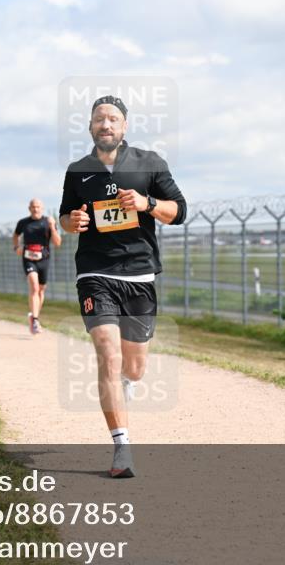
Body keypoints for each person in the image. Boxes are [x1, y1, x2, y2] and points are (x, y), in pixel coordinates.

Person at [59, 95, 187, 478]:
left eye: (113, 119)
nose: (106, 125)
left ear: (125, 126)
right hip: (95, 273)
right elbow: (65, 215)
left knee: (135, 367)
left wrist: (148, 204)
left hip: (139, 274)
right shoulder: (77, 170)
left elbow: (180, 212)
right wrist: (71, 222)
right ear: (90, 128)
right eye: (99, 119)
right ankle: (122, 447)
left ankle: (126, 385)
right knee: (108, 356)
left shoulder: (150, 163)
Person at [13, 198, 61, 334]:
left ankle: (35, 317)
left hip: (44, 259)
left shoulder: (48, 222)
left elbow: (57, 243)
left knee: (41, 290)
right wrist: (16, 247)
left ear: (42, 208)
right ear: (29, 208)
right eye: (33, 207)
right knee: (34, 286)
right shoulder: (23, 223)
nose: (36, 209)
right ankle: (34, 320)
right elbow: (15, 236)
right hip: (28, 258)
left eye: (38, 207)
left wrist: (52, 226)